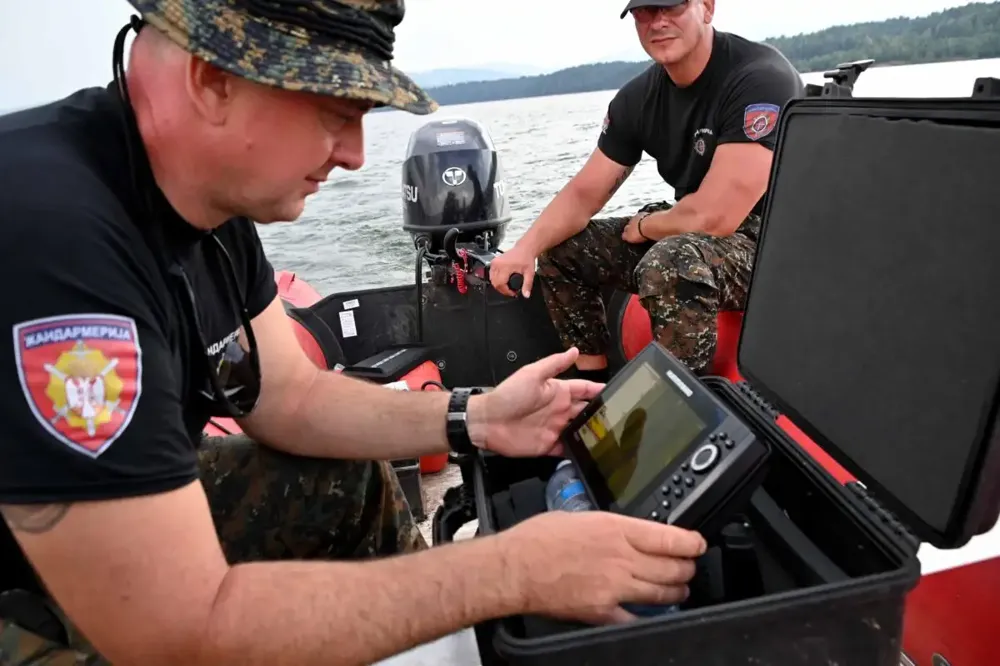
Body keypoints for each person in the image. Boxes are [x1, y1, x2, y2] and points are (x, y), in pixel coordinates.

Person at [0, 2, 709, 665]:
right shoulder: (53, 234)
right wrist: (513, 570)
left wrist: (477, 418)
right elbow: (177, 632)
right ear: (211, 79)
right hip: (34, 594)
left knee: (346, 482)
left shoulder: (204, 210)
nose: (356, 155)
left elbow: (293, 396)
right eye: (334, 112)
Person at [490, 0, 804, 381]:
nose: (658, 22)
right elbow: (583, 194)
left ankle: (683, 408)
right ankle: (591, 388)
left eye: (671, 6)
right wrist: (525, 250)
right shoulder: (637, 99)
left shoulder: (758, 78)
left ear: (706, 8)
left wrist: (646, 226)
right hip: (696, 230)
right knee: (563, 250)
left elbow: (717, 216)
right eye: (645, 11)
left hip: (775, 245)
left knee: (671, 260)